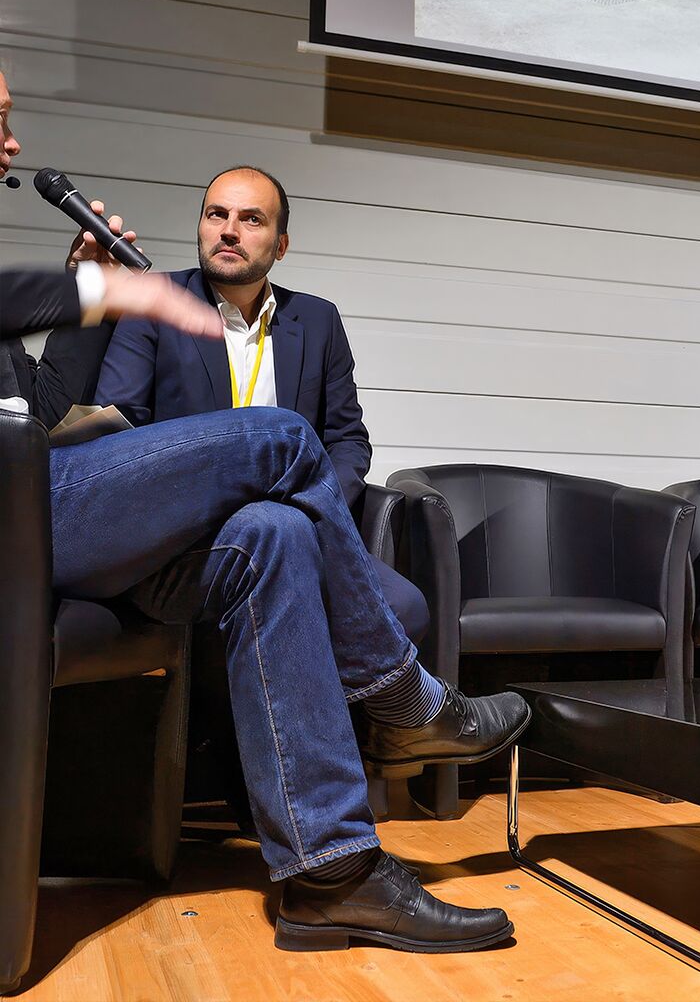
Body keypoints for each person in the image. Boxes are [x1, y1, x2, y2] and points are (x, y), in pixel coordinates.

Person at [0, 71, 529, 954]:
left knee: (274, 532)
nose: (14, 147)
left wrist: (79, 297)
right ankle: (409, 701)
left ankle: (329, 876)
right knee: (277, 437)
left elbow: (42, 404)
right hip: (25, 511)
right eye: (1, 123)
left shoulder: (314, 321)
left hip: (50, 489)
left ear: (281, 242)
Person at [95, 165, 429, 642]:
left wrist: (313, 508)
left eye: (252, 219)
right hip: (191, 540)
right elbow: (118, 434)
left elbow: (347, 439)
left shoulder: (317, 320)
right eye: (217, 215)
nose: (229, 230)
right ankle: (418, 709)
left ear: (281, 245)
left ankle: (395, 715)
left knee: (406, 607)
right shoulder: (154, 302)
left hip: (300, 522)